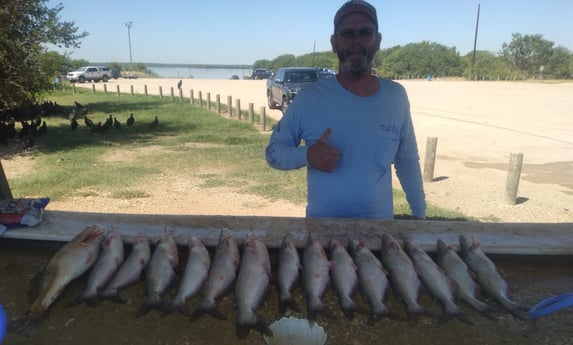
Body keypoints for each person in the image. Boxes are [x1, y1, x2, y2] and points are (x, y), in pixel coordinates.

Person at [265, 0, 426, 220]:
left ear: (377, 40)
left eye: (365, 32)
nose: (356, 40)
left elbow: (406, 160)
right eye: (347, 33)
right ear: (334, 42)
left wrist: (420, 216)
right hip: (321, 239)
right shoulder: (310, 98)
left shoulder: (395, 96)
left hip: (380, 238)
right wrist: (308, 155)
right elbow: (273, 153)